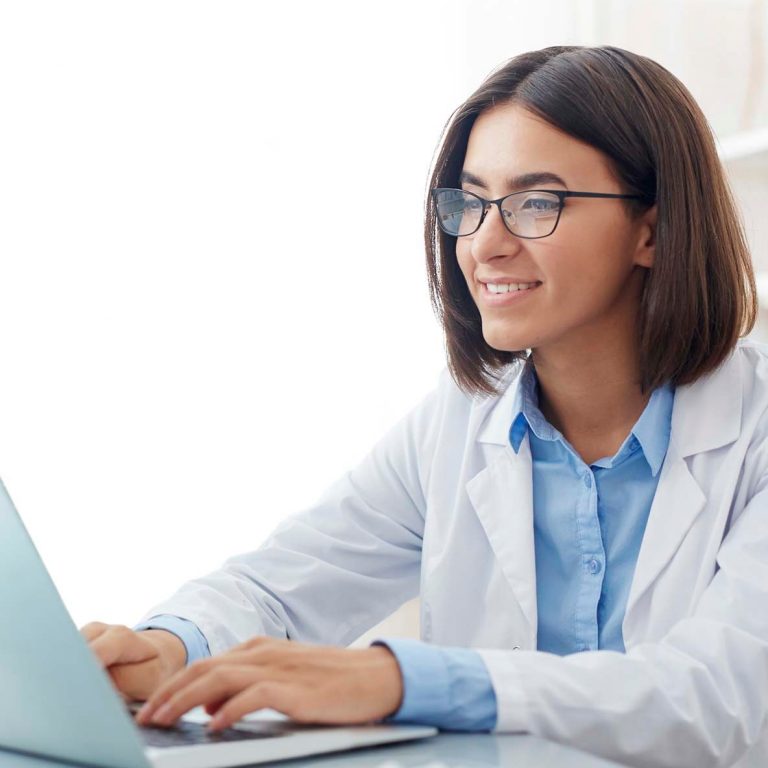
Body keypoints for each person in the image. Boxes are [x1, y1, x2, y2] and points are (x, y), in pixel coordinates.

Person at [80, 45, 768, 768]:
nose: (485, 243)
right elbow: (282, 585)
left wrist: (402, 678)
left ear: (652, 231)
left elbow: (715, 694)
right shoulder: (459, 421)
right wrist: (169, 646)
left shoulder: (750, 431)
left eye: (537, 201)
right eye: (469, 202)